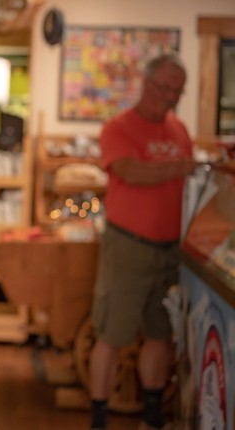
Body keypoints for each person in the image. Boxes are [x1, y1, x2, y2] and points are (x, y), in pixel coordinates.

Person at [88, 53, 197, 430]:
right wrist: (177, 168)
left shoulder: (180, 130)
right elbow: (128, 171)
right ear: (147, 83)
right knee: (111, 335)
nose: (170, 97)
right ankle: (98, 420)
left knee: (160, 334)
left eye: (177, 91)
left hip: (170, 249)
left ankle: (152, 418)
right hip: (128, 247)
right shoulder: (118, 128)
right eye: (165, 88)